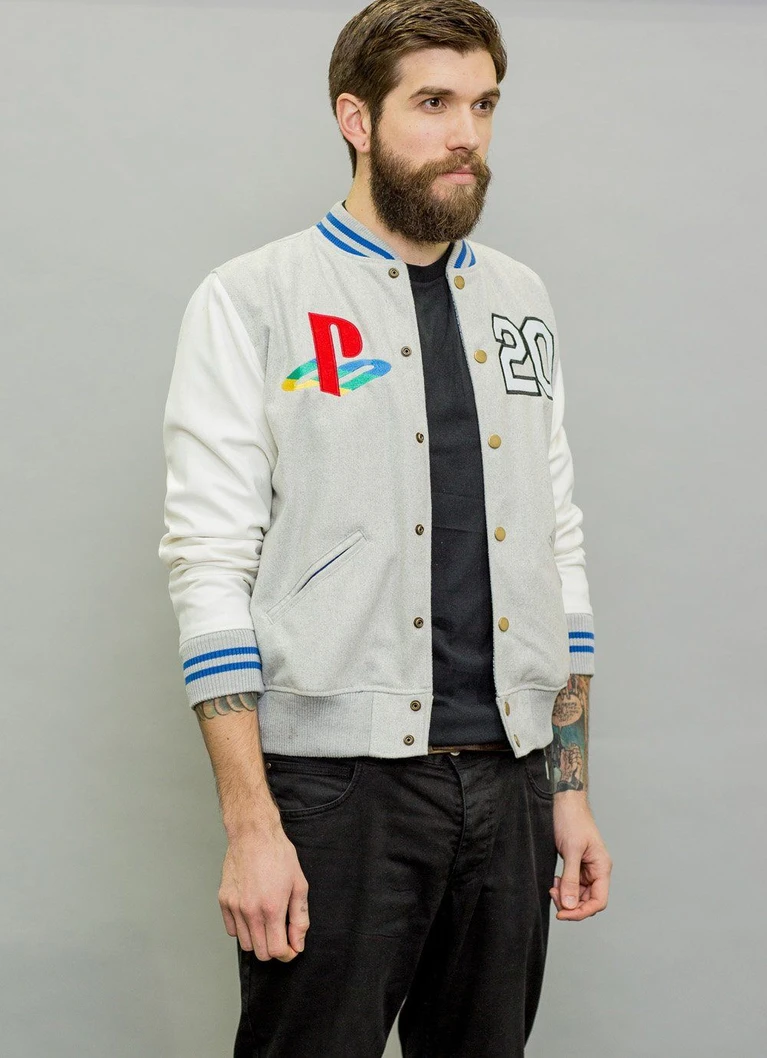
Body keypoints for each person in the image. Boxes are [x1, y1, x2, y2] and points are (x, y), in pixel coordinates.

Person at [158, 1, 612, 1054]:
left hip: (510, 781)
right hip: (336, 792)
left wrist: (568, 789)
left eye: (483, 105)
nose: (466, 134)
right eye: (433, 103)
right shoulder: (252, 299)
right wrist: (252, 824)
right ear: (355, 119)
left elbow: (559, 546)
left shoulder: (521, 301)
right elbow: (208, 561)